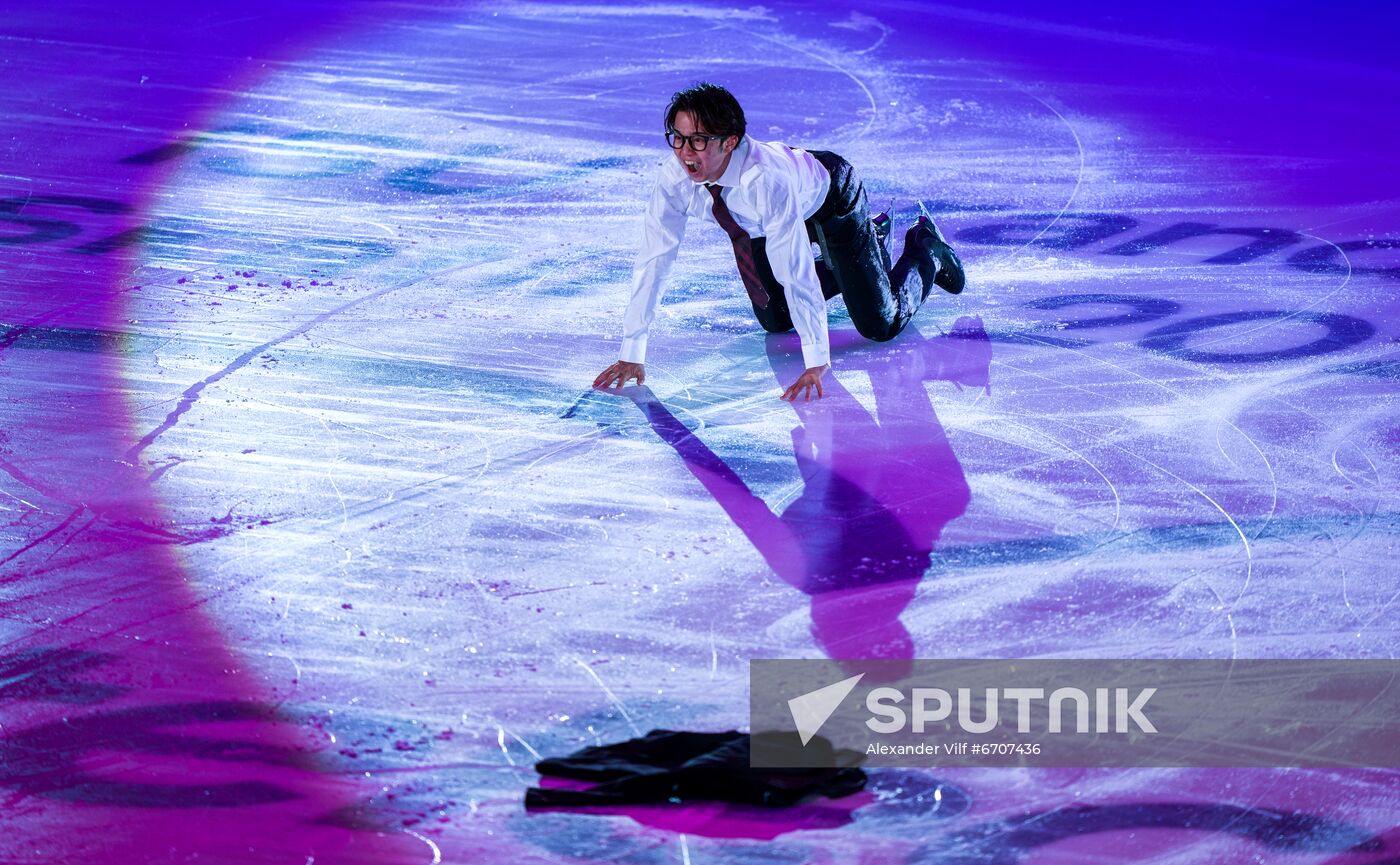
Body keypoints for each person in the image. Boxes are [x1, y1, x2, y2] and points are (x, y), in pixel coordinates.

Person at [593, 82, 965, 401]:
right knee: (774, 317)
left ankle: (926, 249)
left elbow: (795, 268)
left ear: (730, 142)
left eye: (698, 140)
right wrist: (633, 350)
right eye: (677, 137)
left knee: (879, 324)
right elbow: (654, 261)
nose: (685, 151)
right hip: (763, 220)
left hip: (832, 200)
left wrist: (817, 360)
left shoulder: (763, 180)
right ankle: (866, 256)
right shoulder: (674, 178)